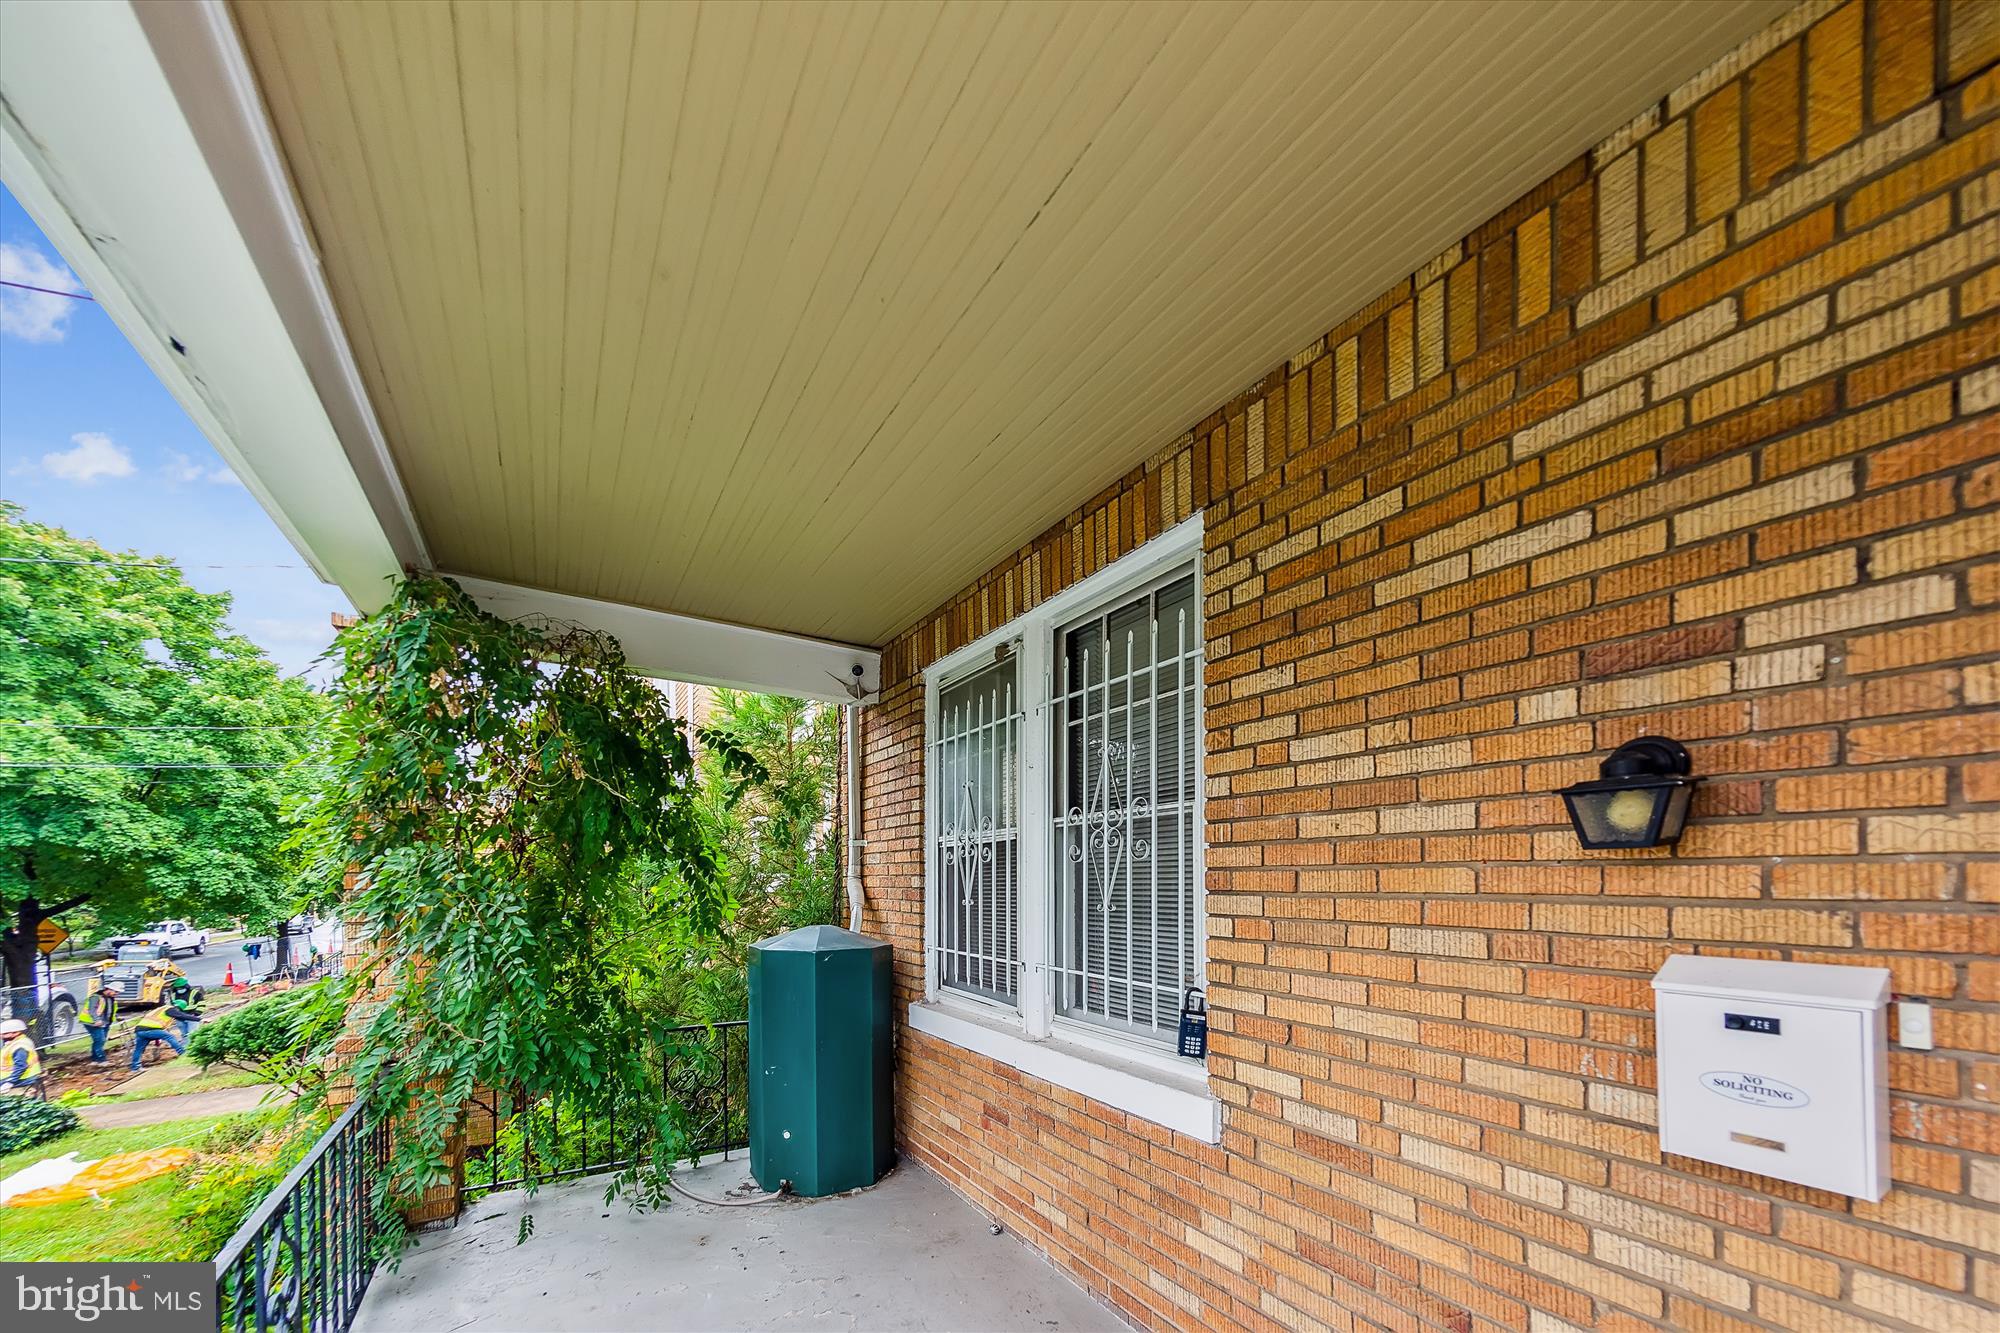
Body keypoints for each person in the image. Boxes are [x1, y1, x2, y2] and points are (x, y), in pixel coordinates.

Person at [129, 1001, 195, 1071]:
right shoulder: (170, 1009)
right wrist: (199, 1019)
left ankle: (135, 1068)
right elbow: (182, 1015)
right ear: (179, 1008)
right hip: (149, 1029)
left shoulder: (161, 1009)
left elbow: (181, 1017)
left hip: (140, 1031)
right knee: (169, 1036)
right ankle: (182, 1053)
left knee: (139, 1049)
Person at [0, 1018, 41, 1095]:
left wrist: (10, 1082)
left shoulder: (19, 1046)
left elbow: (21, 1066)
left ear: (15, 1033)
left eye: (4, 1034)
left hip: (22, 1079)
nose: (1, 1036)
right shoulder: (15, 1043)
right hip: (21, 1078)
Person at [82, 983, 119, 1063]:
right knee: (100, 1040)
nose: (117, 994)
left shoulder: (111, 998)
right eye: (115, 991)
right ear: (109, 989)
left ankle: (95, 1059)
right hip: (92, 1022)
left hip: (105, 1023)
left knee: (99, 1041)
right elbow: (92, 1010)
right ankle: (101, 1060)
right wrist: (96, 1020)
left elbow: (110, 1010)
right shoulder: (95, 997)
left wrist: (116, 1017)